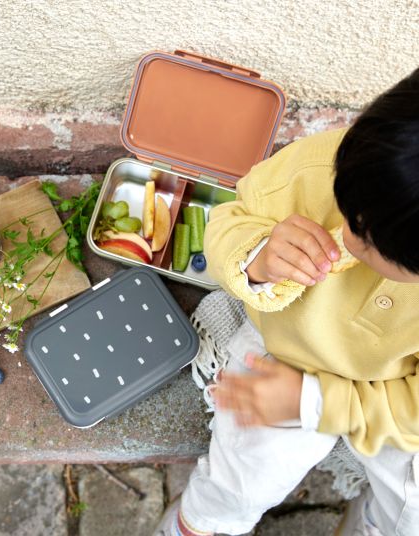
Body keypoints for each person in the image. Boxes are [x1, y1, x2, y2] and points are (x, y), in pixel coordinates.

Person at [154, 67, 419, 536]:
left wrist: (317, 404)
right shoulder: (323, 164)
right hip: (285, 350)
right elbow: (229, 220)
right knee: (243, 473)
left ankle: (373, 524)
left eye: (372, 240)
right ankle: (201, 523)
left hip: (394, 390)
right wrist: (257, 255)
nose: (349, 234)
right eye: (348, 207)